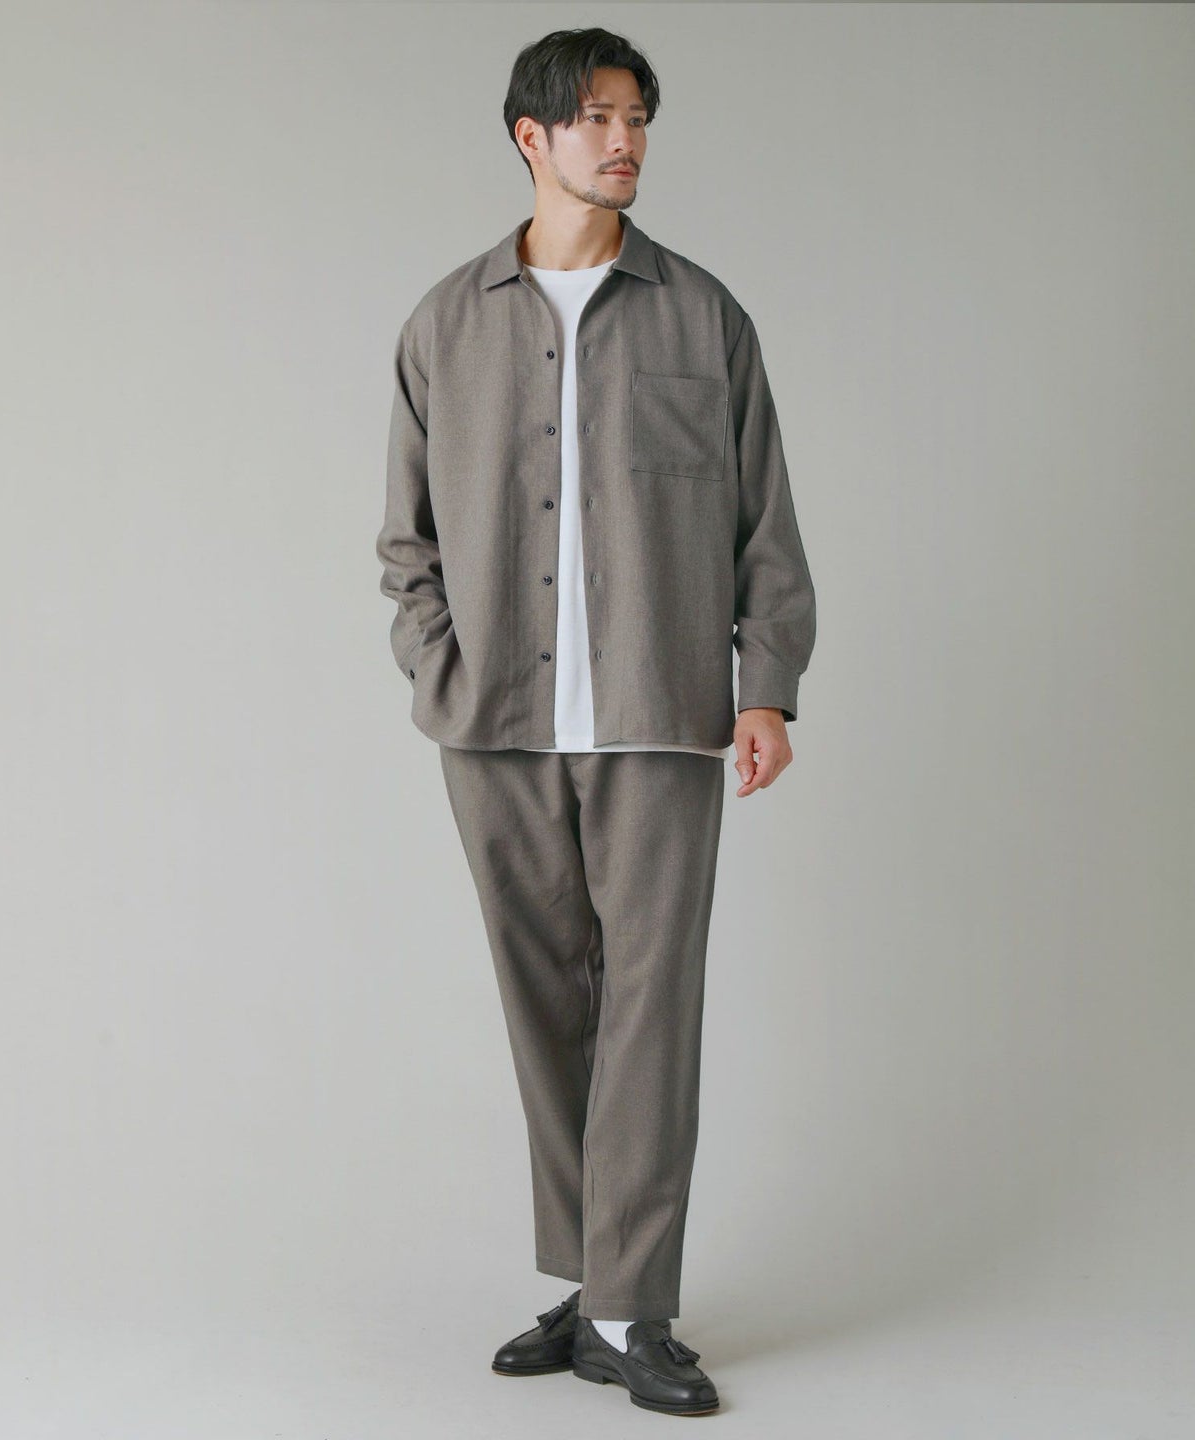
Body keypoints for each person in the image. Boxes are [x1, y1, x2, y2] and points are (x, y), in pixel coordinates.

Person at [376, 26, 816, 1418]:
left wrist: (763, 685)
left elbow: (765, 525)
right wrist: (440, 669)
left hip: (659, 715)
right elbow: (405, 544)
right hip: (495, 725)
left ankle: (632, 1309)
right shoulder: (445, 325)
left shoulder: (703, 318)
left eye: (638, 120)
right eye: (600, 119)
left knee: (649, 1011)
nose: (626, 143)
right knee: (545, 1009)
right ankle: (592, 1282)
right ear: (534, 136)